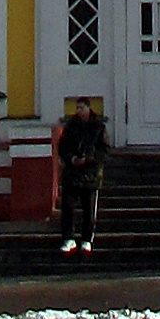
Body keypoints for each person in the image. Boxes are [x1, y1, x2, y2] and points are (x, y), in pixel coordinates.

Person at [55, 94, 108, 255]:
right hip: (72, 173)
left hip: (91, 175)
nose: (78, 111)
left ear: (88, 108)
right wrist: (71, 158)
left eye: (81, 108)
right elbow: (62, 146)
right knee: (68, 207)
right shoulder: (71, 126)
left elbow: (103, 150)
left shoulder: (98, 127)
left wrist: (88, 159)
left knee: (89, 210)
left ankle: (87, 240)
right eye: (77, 108)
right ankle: (68, 239)